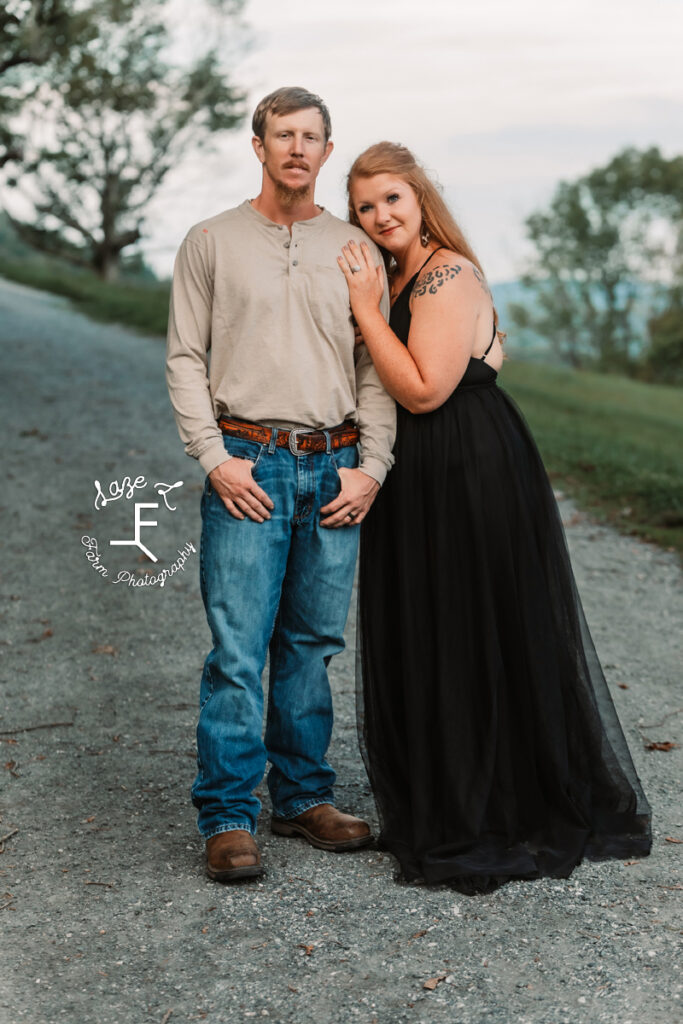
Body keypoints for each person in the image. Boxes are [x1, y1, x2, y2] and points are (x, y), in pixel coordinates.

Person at [337, 142, 652, 894]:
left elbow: (420, 391)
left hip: (468, 466)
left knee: (474, 626)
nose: (379, 216)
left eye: (390, 200)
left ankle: (493, 806)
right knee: (427, 627)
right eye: (364, 208)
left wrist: (362, 311)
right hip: (415, 473)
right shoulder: (396, 271)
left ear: (419, 198)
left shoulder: (446, 272)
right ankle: (440, 796)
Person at [165, 90, 396, 882]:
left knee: (311, 644)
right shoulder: (211, 242)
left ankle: (301, 797)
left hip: (333, 465)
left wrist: (371, 466)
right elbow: (185, 358)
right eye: (282, 135)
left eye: (311, 137)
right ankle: (228, 815)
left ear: (327, 152)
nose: (296, 148)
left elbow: (374, 367)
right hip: (247, 461)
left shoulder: (354, 249)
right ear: (257, 144)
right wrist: (212, 457)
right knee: (237, 649)